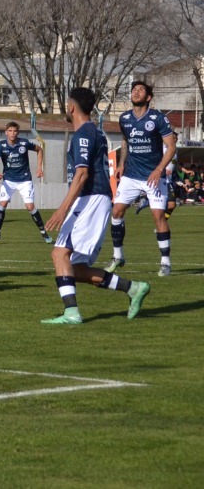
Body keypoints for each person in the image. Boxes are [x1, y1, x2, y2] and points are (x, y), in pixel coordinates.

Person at [41, 87, 151, 324]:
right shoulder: (96, 132)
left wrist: (62, 209)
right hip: (94, 199)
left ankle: (72, 313)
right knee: (76, 268)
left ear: (71, 107)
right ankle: (133, 288)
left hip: (90, 199)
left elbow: (82, 174)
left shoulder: (83, 134)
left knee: (59, 254)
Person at [109, 80, 177, 276]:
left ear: (148, 97)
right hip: (131, 174)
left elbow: (171, 147)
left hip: (153, 176)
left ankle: (165, 262)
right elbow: (125, 141)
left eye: (140, 90)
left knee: (158, 217)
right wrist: (121, 164)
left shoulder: (158, 118)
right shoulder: (124, 118)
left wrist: (158, 170)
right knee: (116, 212)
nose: (135, 92)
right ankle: (118, 256)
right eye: (133, 90)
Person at [0, 121, 50, 244]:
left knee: (30, 207)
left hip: (24, 180)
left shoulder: (24, 143)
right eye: (10, 131)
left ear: (17, 132)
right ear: (6, 132)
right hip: (9, 180)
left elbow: (40, 150)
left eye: (15, 131)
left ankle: (44, 233)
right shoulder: (1, 145)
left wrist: (39, 168)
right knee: (2, 204)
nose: (12, 133)